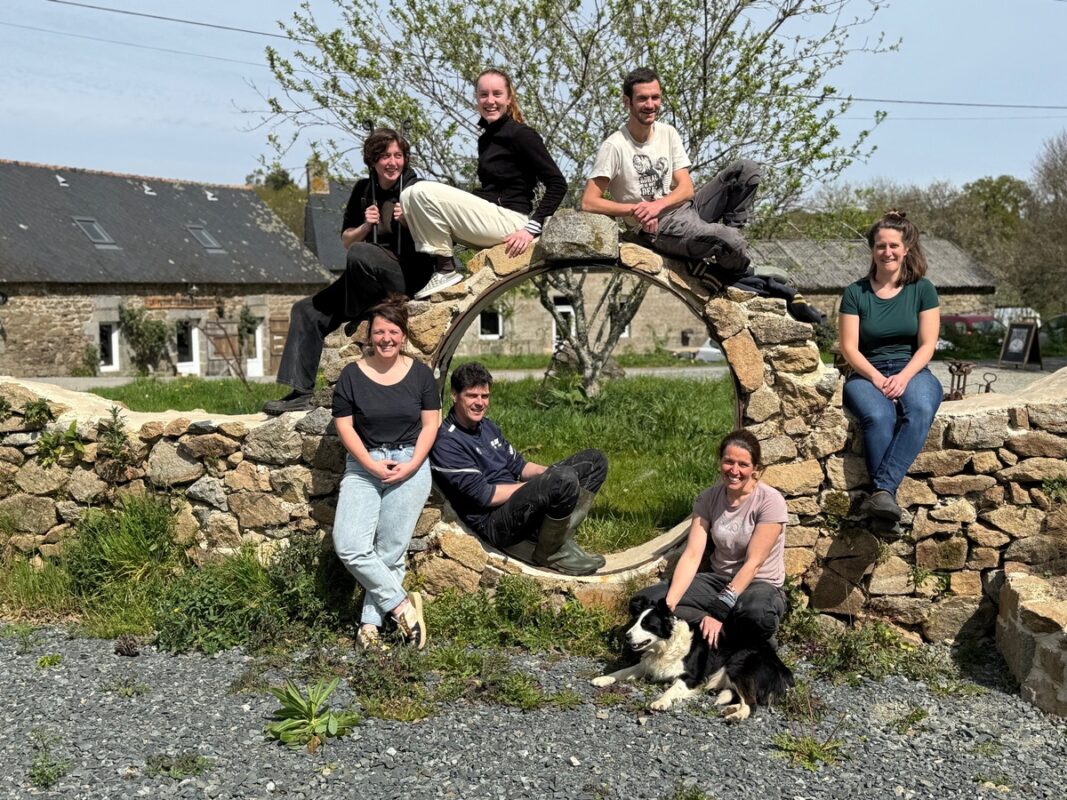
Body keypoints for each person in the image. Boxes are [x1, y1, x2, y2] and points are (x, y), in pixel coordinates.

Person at [264, 128, 436, 415]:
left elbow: (436, 237)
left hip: (406, 275)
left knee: (361, 254)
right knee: (306, 310)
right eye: (384, 157)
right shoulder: (362, 190)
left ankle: (362, 315)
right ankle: (300, 391)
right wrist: (366, 227)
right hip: (364, 276)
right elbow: (347, 240)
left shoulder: (416, 188)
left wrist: (408, 221)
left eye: (398, 156)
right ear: (373, 161)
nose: (392, 163)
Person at [331, 296, 440, 650]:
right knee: (349, 544)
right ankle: (402, 606)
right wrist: (370, 463)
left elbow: (430, 424)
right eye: (379, 331)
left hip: (410, 462)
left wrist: (411, 464)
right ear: (369, 337)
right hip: (364, 464)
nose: (386, 338)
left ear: (404, 335)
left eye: (393, 331)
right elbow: (344, 427)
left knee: (390, 551)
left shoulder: (422, 375)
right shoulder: (351, 376)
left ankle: (369, 629)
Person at [402, 68, 567, 299]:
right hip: (491, 216)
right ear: (477, 99)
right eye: (483, 95)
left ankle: (446, 269)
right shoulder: (486, 139)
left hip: (511, 221)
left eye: (497, 94)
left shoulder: (521, 134)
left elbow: (558, 183)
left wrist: (531, 229)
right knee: (407, 197)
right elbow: (490, 193)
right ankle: (439, 267)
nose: (490, 101)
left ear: (509, 99)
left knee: (421, 191)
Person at [430, 362, 607, 576]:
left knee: (594, 462)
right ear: (454, 395)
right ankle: (549, 554)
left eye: (484, 396)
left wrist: (551, 477)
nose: (479, 403)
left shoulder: (487, 427)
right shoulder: (447, 442)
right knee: (562, 479)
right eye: (472, 396)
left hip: (517, 500)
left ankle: (556, 540)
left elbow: (519, 466)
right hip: (495, 521)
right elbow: (485, 496)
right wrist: (544, 485)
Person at [580, 67, 760, 276]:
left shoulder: (668, 132)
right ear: (627, 102)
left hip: (686, 209)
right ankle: (735, 261)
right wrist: (636, 210)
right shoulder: (614, 146)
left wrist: (658, 205)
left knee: (746, 171)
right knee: (729, 240)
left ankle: (730, 254)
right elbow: (589, 202)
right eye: (642, 99)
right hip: (659, 229)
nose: (650, 105)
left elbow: (686, 188)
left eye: (655, 97)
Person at [632, 430, 788, 647]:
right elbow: (693, 554)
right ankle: (719, 632)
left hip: (758, 584)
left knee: (757, 616)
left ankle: (734, 637)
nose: (734, 470)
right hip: (717, 580)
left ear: (755, 468)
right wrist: (668, 605)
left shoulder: (770, 501)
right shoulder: (708, 498)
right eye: (728, 462)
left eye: (743, 464)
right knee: (644, 601)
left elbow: (754, 563)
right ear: (720, 462)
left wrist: (720, 610)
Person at [839, 210, 942, 522]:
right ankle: (886, 503)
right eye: (881, 246)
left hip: (912, 369)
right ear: (872, 250)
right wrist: (876, 377)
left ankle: (882, 492)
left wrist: (904, 376)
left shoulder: (923, 289)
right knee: (878, 414)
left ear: (905, 248)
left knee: (921, 409)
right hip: (866, 372)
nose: (887, 252)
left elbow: (927, 345)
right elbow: (848, 348)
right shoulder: (856, 293)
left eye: (893, 245)